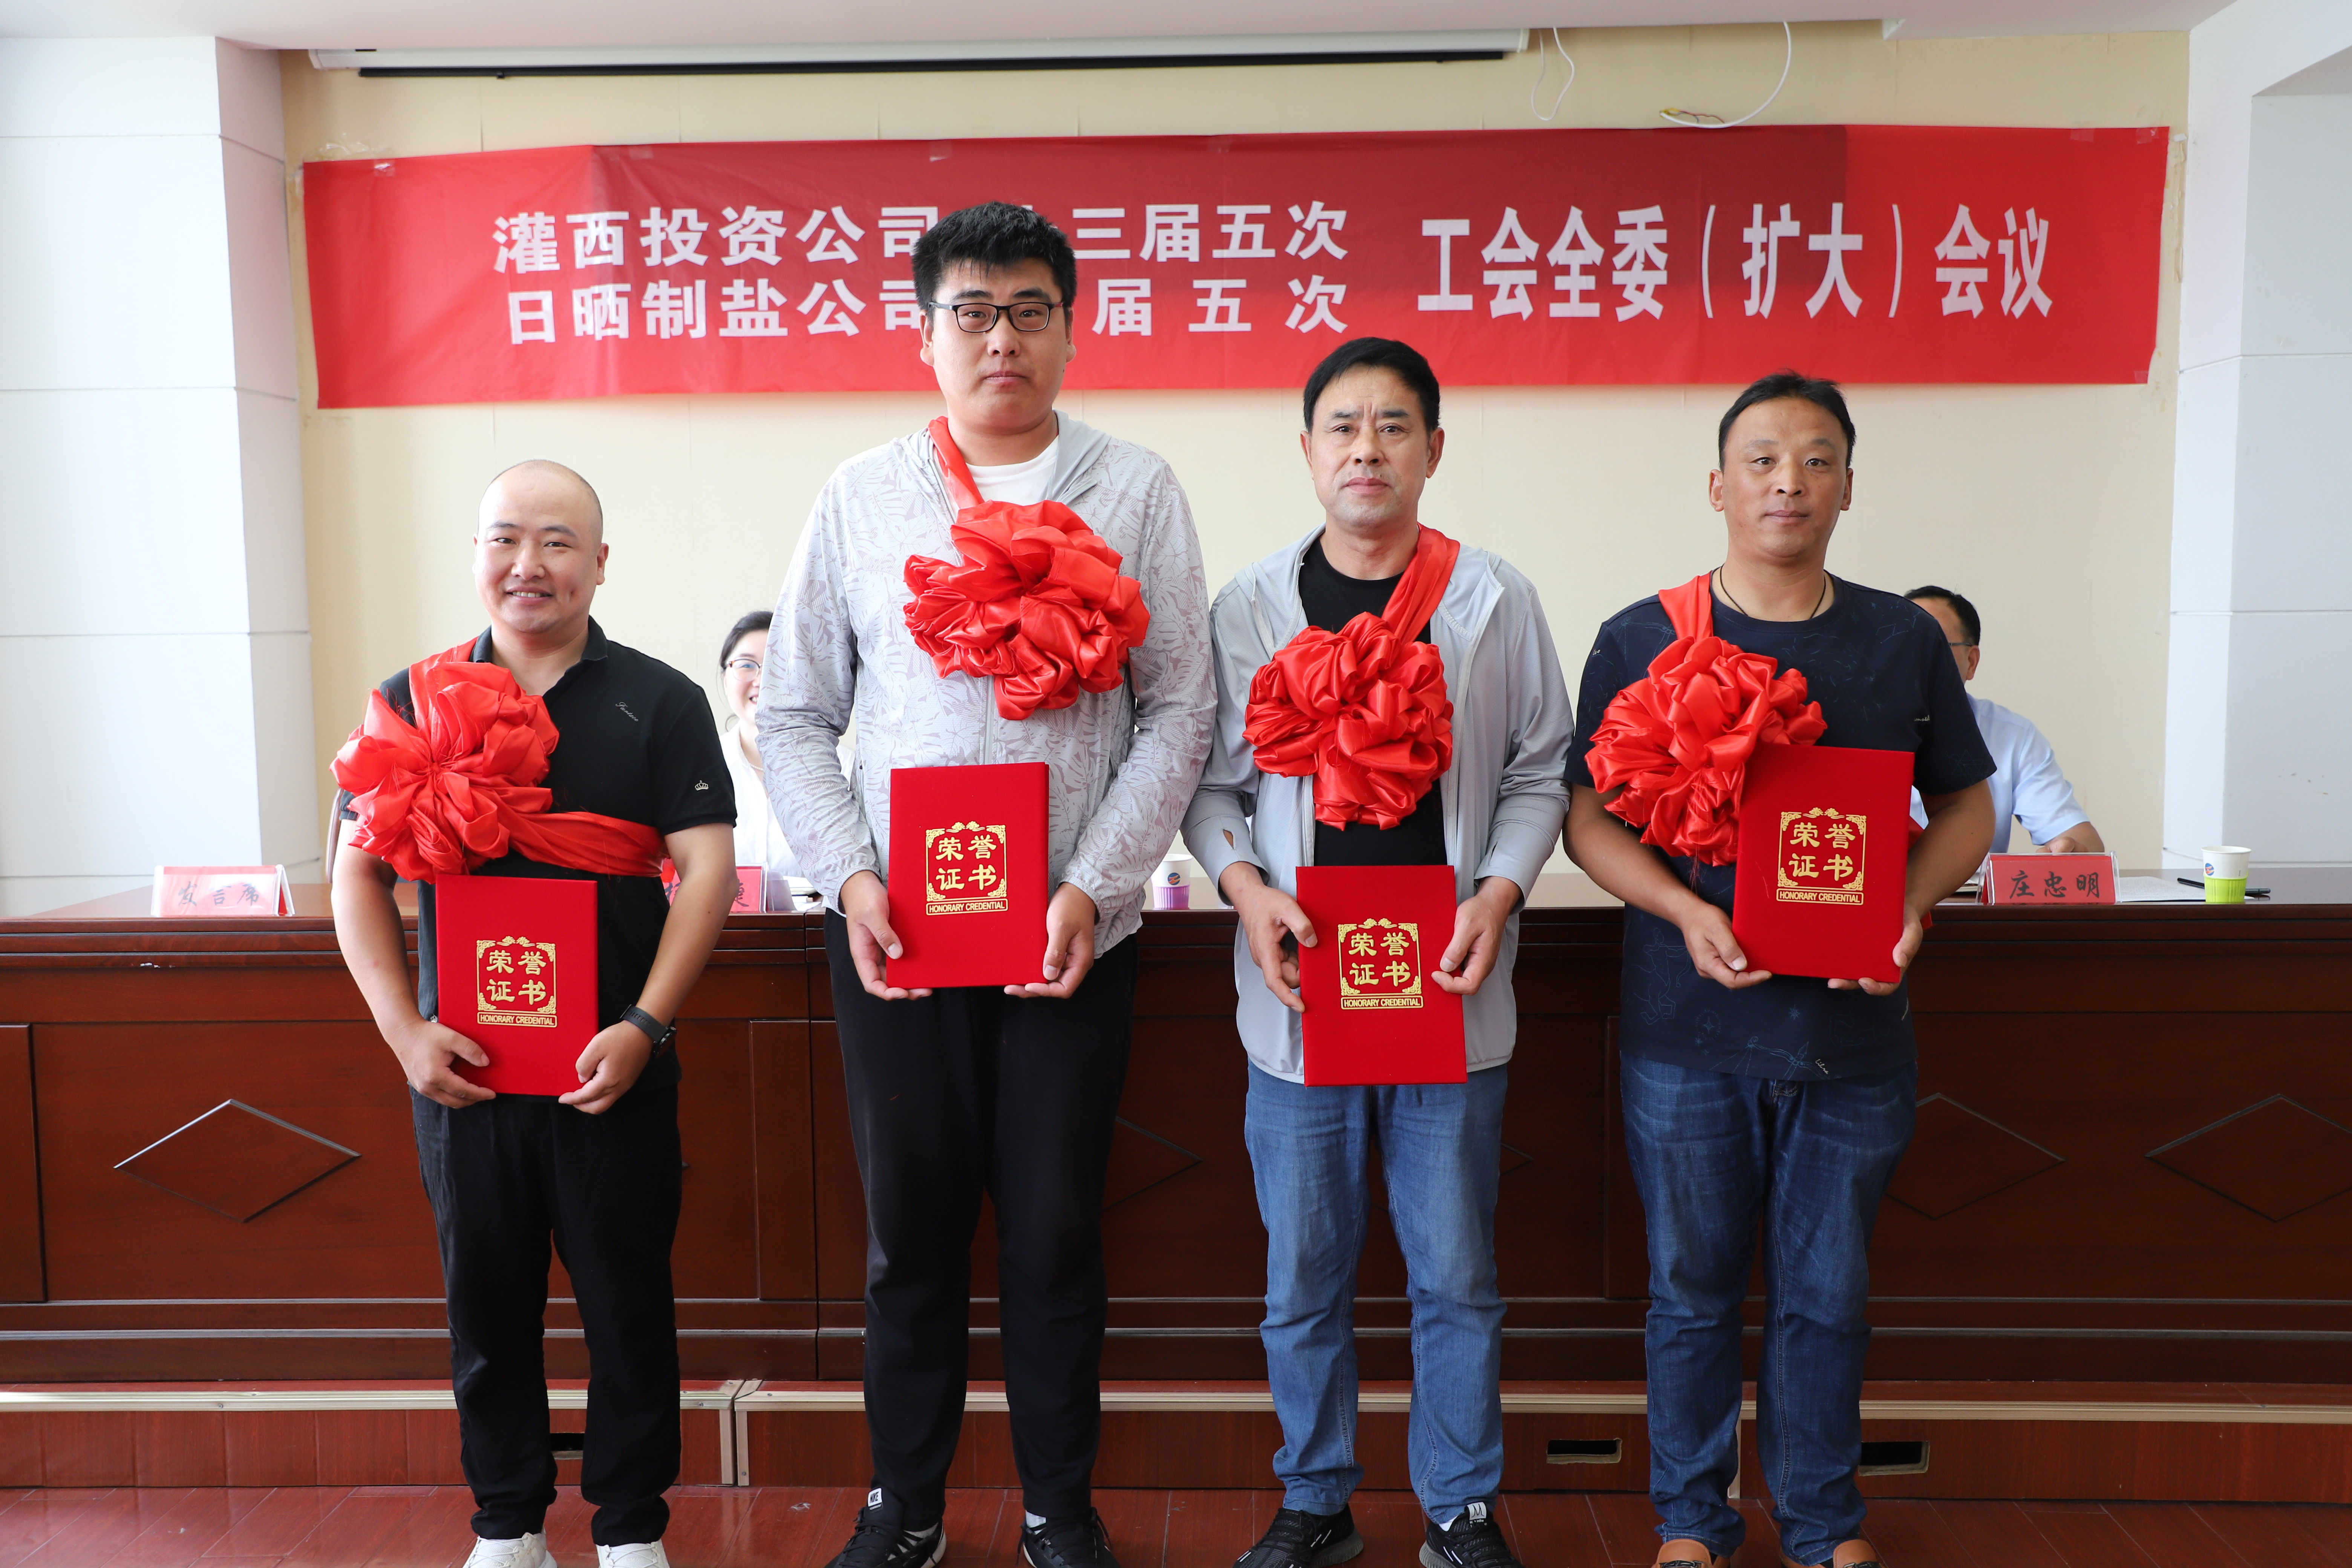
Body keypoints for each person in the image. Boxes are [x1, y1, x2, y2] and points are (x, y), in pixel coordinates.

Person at [756, 202, 1214, 1568]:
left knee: (1057, 1231)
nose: (1000, 336)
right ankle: (903, 1506)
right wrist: (849, 878)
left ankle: (1057, 1508)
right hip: (896, 938)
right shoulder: (861, 493)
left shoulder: (1136, 489)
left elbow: (1180, 709)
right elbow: (794, 715)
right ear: (925, 335)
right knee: (909, 1236)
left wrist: (1095, 885)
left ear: (1071, 330)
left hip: (1075, 937)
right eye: (971, 310)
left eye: (1028, 309)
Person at [1561, 374, 1994, 1568]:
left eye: (1815, 460)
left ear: (1849, 486)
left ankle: (1820, 1523)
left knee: (1826, 1295)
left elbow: (1966, 806)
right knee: (1689, 1291)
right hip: (1685, 1029)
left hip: (1853, 1037)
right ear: (1718, 486)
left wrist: (1906, 905)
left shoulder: (1901, 640)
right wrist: (1678, 909)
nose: (1787, 482)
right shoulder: (1641, 636)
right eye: (1761, 459)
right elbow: (1587, 818)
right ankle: (1692, 1524)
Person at [1182, 338, 1573, 1568]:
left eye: (1394, 426)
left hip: (1447, 993)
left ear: (1433, 450)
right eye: (1343, 428)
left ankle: (1461, 1509)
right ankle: (1316, 1502)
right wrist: (1247, 890)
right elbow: (1209, 785)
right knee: (1303, 1277)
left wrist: (1499, 892)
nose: (1368, 449)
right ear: (1308, 452)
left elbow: (1541, 772)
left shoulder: (1492, 600)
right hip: (1301, 999)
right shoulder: (1248, 607)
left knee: (1456, 1274)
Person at [329, 460, 740, 1568]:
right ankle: (507, 1522)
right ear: (476, 555)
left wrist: (645, 1025)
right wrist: (404, 1034)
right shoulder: (410, 698)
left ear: (598, 564)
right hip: (462, 1072)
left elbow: (707, 873)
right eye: (505, 538)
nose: (529, 564)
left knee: (628, 1305)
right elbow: (355, 877)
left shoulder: (661, 700)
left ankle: (631, 1528)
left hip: (614, 1067)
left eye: (557, 542)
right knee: (485, 1306)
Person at [1904, 586, 2105, 854]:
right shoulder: (1855, 729)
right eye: (1901, 646)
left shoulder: (2013, 737)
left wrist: (2067, 851)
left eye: (1933, 646)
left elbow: (2080, 839)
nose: (1912, 659)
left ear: (1971, 662)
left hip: (1971, 885)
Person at [716, 610, 817, 910]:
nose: (762, 680)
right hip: (722, 932)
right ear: (725, 678)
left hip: (820, 932)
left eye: (778, 664)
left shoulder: (843, 769)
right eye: (747, 665)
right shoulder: (699, 767)